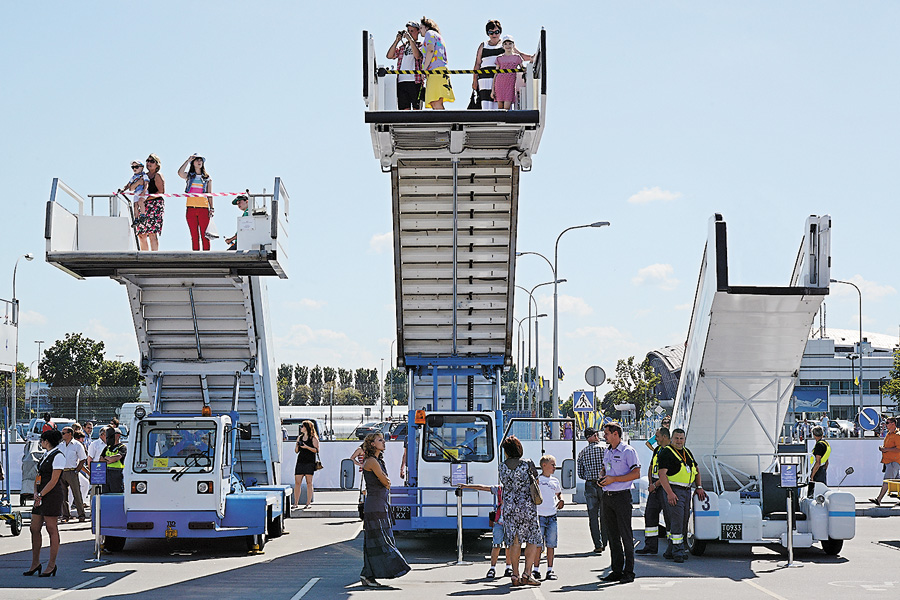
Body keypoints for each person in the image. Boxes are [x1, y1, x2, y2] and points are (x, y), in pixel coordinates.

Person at [360, 433, 410, 587]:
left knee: (380, 540)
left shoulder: (378, 461)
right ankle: (371, 573)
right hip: (375, 505)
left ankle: (368, 574)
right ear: (372, 444)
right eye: (380, 440)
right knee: (379, 540)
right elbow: (386, 482)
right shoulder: (372, 461)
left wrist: (386, 481)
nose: (384, 442)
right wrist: (386, 481)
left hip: (380, 504)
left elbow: (386, 482)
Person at [598, 422, 641, 584]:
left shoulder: (628, 451)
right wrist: (602, 477)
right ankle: (616, 570)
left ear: (616, 434)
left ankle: (628, 572)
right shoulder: (608, 451)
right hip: (608, 496)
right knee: (612, 535)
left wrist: (614, 479)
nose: (604, 436)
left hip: (622, 497)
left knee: (625, 535)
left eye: (607, 433)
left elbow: (636, 473)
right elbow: (605, 468)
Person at [656, 428, 706, 564]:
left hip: (686, 490)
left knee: (683, 521)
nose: (679, 441)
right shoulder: (667, 452)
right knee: (677, 522)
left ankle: (671, 550)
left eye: (681, 438)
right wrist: (670, 493)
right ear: (672, 439)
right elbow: (662, 475)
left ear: (684, 439)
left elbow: (696, 470)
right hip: (675, 490)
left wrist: (699, 487)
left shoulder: (687, 452)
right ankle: (678, 552)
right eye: (677, 438)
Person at [498, 435, 543, 586]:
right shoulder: (527, 464)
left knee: (514, 541)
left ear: (506, 451)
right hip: (527, 507)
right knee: (532, 539)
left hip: (510, 507)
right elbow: (535, 481)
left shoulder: (502, 466)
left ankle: (515, 574)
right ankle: (527, 574)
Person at [25, 429, 65, 577]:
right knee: (34, 528)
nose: (41, 443)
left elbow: (54, 480)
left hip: (51, 495)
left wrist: (41, 494)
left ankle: (51, 564)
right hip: (40, 496)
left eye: (42, 440)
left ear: (47, 441)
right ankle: (35, 563)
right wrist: (36, 492)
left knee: (51, 527)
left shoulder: (58, 456)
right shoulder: (45, 456)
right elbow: (38, 476)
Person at [457, 481, 511, 579]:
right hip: (499, 521)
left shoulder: (516, 489)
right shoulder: (499, 489)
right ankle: (493, 568)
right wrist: (467, 486)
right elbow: (483, 487)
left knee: (509, 546)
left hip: (511, 522)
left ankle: (508, 567)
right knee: (496, 545)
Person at [636, 427, 671, 554]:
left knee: (669, 519)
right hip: (655, 487)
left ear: (665, 437)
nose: (655, 439)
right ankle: (650, 546)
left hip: (665, 487)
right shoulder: (657, 449)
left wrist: (655, 485)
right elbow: (651, 467)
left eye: (657, 436)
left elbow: (667, 474)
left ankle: (672, 549)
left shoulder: (671, 451)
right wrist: (651, 483)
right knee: (650, 516)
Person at [576, 426, 607, 554]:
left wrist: (590, 477)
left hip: (590, 485)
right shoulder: (605, 449)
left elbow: (580, 473)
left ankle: (597, 544)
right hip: (605, 484)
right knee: (605, 515)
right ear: (594, 435)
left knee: (593, 516)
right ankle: (605, 542)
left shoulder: (582, 452)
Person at [533, 454, 564, 580]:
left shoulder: (554, 481)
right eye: (552, 465)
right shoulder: (537, 480)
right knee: (538, 545)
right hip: (539, 515)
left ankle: (550, 570)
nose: (554, 467)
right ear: (544, 465)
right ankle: (535, 569)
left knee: (551, 544)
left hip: (552, 516)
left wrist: (561, 500)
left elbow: (558, 493)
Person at [178, 154, 214, 251]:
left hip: (203, 208)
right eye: (196, 160)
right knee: (194, 235)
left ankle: (207, 257)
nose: (199, 162)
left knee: (204, 235)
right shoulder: (189, 176)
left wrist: (212, 208)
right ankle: (196, 256)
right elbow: (180, 173)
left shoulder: (207, 178)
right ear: (193, 163)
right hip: (190, 208)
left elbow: (209, 194)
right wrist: (187, 160)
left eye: (200, 160)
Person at [386, 21, 424, 110]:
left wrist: (411, 40)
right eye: (408, 31)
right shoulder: (403, 47)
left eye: (412, 31)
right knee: (404, 109)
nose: (410, 33)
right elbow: (390, 56)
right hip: (402, 81)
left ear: (418, 31)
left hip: (415, 81)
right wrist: (397, 40)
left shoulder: (421, 45)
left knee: (416, 109)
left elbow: (417, 56)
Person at [419, 17, 454, 110]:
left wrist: (424, 70)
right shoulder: (437, 35)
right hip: (439, 70)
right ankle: (443, 122)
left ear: (427, 27)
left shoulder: (429, 34)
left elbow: (430, 50)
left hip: (435, 70)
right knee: (435, 101)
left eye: (421, 28)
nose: (419, 31)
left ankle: (444, 123)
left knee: (435, 101)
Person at [472, 20, 504, 109]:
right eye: (491, 32)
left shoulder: (505, 45)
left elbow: (518, 55)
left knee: (499, 101)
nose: (494, 35)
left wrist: (532, 57)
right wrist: (474, 81)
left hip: (499, 78)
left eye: (497, 32)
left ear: (500, 32)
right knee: (486, 103)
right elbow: (477, 64)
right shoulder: (483, 45)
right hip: (484, 79)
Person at [59, 427, 87, 523]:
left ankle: (81, 515)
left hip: (72, 471)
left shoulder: (77, 445)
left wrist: (76, 471)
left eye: (64, 433)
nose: (62, 435)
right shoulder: (61, 445)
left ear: (69, 434)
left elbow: (83, 459)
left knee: (77, 494)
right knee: (63, 496)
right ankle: (65, 515)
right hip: (62, 471)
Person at [137, 154, 165, 251]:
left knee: (152, 233)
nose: (149, 163)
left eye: (152, 161)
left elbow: (161, 192)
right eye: (147, 161)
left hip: (155, 205)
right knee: (141, 234)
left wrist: (146, 198)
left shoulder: (158, 175)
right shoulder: (144, 175)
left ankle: (154, 256)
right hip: (143, 205)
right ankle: (145, 257)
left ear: (157, 164)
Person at [870, 417, 900, 506]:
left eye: (887, 423)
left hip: (894, 461)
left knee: (887, 481)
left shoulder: (897, 435)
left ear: (893, 424)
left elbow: (898, 449)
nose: (886, 424)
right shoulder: (889, 434)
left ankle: (879, 499)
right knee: (897, 482)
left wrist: (885, 449)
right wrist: (883, 448)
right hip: (889, 461)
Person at [492, 36, 525, 110]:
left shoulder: (517, 57)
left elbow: (523, 68)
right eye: (505, 44)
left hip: (510, 85)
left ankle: (504, 121)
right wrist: (492, 90)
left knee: (506, 108)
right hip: (499, 84)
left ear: (513, 45)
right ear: (503, 46)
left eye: (510, 43)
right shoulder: (499, 58)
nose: (508, 46)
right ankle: (499, 122)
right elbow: (496, 74)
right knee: (500, 108)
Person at [294, 420, 319, 509]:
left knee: (309, 483)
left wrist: (306, 447)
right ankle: (295, 503)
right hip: (300, 461)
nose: (301, 428)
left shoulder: (313, 438)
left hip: (309, 462)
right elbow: (296, 451)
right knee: (297, 482)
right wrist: (297, 445)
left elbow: (316, 450)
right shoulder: (300, 437)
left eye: (302, 426)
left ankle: (308, 503)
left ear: (307, 427)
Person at [119, 160, 149, 227]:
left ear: (142, 167)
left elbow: (146, 183)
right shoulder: (133, 177)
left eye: (136, 167)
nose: (134, 169)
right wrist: (123, 190)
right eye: (133, 167)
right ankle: (136, 219)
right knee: (135, 205)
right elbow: (128, 185)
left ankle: (143, 216)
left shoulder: (144, 175)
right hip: (136, 193)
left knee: (141, 201)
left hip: (142, 192)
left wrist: (144, 191)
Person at [102, 427, 127, 493]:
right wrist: (110, 460)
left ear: (118, 435)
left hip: (116, 474)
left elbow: (116, 458)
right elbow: (101, 460)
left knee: (117, 493)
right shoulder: (107, 447)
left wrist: (108, 458)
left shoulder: (122, 447)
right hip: (106, 473)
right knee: (105, 493)